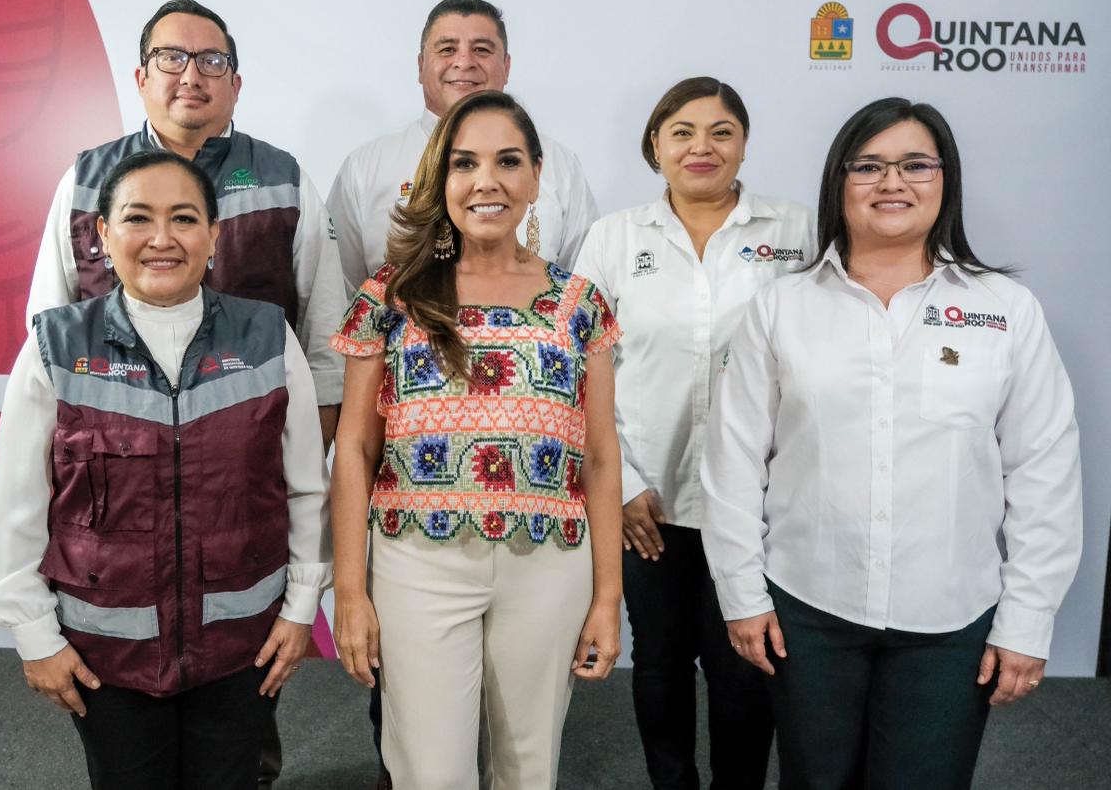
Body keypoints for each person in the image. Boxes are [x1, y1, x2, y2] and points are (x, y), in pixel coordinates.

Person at [701, 97, 1083, 789]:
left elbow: (1045, 472)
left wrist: (1028, 620)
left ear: (946, 180)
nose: (892, 183)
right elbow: (731, 463)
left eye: (915, 164)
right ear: (838, 183)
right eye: (869, 166)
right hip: (807, 610)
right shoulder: (781, 307)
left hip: (950, 617)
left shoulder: (1004, 310)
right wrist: (742, 595)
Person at [0, 151, 332, 790]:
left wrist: (301, 607)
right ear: (101, 237)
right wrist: (35, 635)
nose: (162, 238)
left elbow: (306, 486)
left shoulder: (267, 338)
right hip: (102, 654)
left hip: (240, 648)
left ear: (215, 236)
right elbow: (18, 501)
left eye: (185, 218)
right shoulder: (56, 346)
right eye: (138, 218)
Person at [330, 90, 622, 790]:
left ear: (536, 177)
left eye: (507, 161)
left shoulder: (579, 303)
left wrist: (608, 597)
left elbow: (603, 457)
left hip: (549, 567)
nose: (486, 180)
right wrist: (349, 591)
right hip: (417, 564)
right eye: (465, 163)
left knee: (530, 772)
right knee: (431, 775)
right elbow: (354, 452)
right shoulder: (390, 297)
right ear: (441, 178)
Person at [574, 76, 811, 789]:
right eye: (682, 132)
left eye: (720, 132)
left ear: (744, 145)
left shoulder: (795, 231)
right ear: (655, 145)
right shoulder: (614, 238)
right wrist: (624, 486)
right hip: (651, 502)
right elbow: (581, 369)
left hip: (762, 502)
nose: (700, 147)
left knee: (749, 666)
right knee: (660, 662)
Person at [26, 0, 345, 458]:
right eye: (171, 58)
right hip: (113, 466)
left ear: (235, 85)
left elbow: (325, 342)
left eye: (212, 62)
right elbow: (45, 336)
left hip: (248, 466)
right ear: (142, 79)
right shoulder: (85, 182)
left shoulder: (284, 182)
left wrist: (301, 467)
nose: (192, 76)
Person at [328, 0, 599, 293]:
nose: (464, 62)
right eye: (447, 49)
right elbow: (337, 295)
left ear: (506, 66)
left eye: (482, 49)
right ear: (420, 66)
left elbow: (584, 291)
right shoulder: (365, 168)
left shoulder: (559, 166)